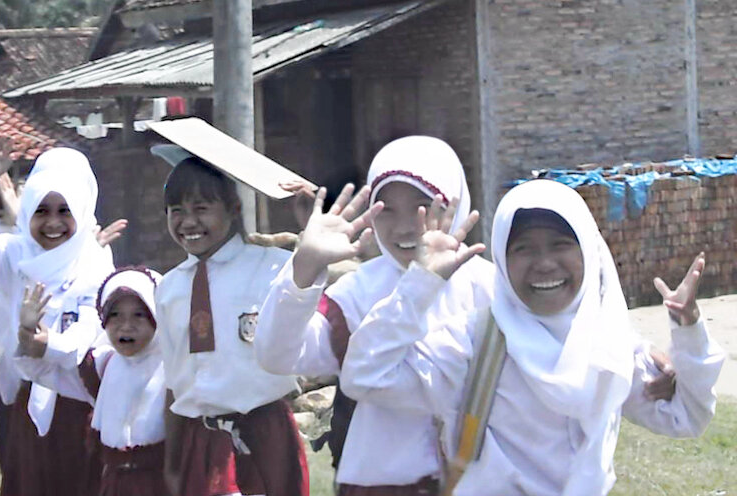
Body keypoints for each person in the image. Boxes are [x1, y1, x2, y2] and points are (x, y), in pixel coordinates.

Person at [340, 179, 725, 495]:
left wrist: (689, 334)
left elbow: (685, 419)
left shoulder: (608, 342)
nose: (544, 263)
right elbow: (365, 376)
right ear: (503, 263)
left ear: (589, 253)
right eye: (523, 248)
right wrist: (419, 285)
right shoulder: (475, 342)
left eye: (560, 245)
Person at [256, 136, 494, 495]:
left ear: (454, 206)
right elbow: (276, 356)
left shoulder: (489, 287)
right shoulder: (358, 292)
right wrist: (304, 266)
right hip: (384, 484)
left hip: (485, 479)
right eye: (388, 209)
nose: (402, 227)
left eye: (423, 206)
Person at [0, 136, 114, 496]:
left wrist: (46, 345)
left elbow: (88, 331)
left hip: (81, 406)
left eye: (64, 211)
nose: (53, 223)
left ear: (83, 210)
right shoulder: (14, 255)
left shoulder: (95, 263)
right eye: (41, 210)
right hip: (26, 401)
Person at [152, 144, 309, 496]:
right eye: (176, 210)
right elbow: (175, 383)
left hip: (265, 434)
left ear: (234, 209)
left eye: (202, 209)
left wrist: (310, 230)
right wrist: (173, 462)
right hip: (202, 439)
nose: (188, 222)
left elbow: (309, 289)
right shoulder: (170, 288)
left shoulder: (273, 267)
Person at [16, 266, 168, 496]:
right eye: (115, 315)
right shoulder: (103, 367)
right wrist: (29, 333)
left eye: (139, 314)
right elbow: (46, 371)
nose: (126, 326)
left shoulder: (175, 369)